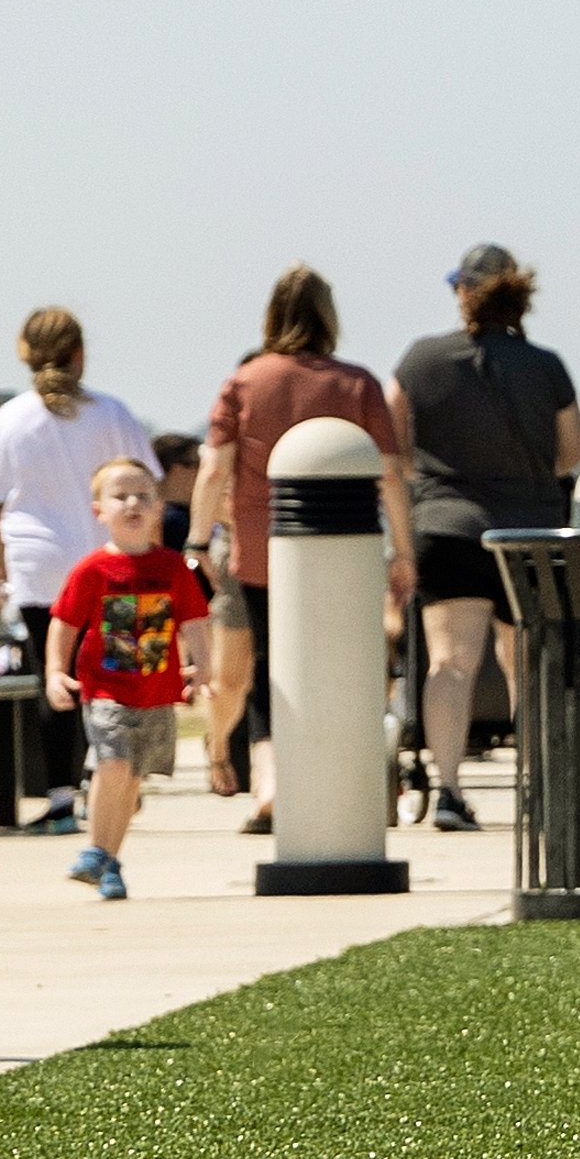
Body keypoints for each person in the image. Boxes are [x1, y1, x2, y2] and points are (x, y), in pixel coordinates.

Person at [192, 271, 412, 825]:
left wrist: (197, 541)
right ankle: (343, 781)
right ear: (328, 316)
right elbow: (389, 474)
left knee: (270, 670)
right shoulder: (357, 384)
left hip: (260, 554)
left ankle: (269, 782)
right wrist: (404, 552)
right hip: (346, 554)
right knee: (344, 666)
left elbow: (214, 467)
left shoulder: (245, 381)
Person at [388, 244, 580, 834]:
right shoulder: (546, 366)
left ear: (462, 291)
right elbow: (572, 451)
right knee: (525, 660)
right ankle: (537, 788)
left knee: (449, 662)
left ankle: (447, 789)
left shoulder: (420, 360)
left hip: (447, 527)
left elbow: (392, 445)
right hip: (529, 532)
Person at [0, 308, 161, 831]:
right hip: (112, 563)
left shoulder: (8, 420)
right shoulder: (113, 414)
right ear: (79, 354)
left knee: (53, 678)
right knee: (117, 677)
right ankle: (116, 778)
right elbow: (148, 486)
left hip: (41, 570)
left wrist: (2, 564)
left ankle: (59, 798)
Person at [45, 459, 212, 900]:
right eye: (121, 496)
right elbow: (64, 623)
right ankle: (95, 851)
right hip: (105, 690)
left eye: (143, 495)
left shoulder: (174, 568)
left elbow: (195, 621)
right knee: (113, 764)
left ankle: (111, 861)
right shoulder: (92, 571)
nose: (133, 504)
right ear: (99, 509)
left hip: (156, 693)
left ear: (159, 507)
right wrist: (55, 672)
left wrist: (203, 667)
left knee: (132, 779)